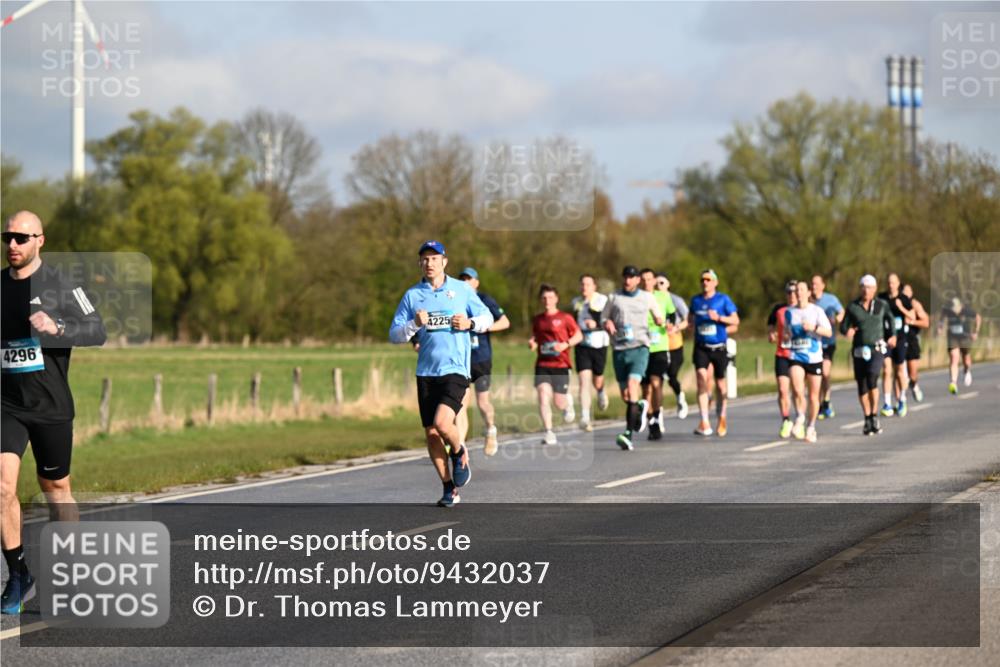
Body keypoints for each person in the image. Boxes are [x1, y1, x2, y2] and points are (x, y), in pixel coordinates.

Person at [2, 211, 107, 614]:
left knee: (57, 489)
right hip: (6, 405)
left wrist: (59, 328)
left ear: (40, 240)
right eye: (7, 238)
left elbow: (97, 330)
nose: (13, 245)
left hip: (50, 405)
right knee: (2, 488)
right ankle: (18, 575)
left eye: (21, 238)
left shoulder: (63, 285)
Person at [389, 241, 494, 508]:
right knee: (432, 434)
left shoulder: (462, 290)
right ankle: (449, 487)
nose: (430, 263)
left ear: (444, 262)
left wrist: (470, 322)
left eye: (435, 258)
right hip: (426, 372)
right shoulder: (413, 295)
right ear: (420, 263)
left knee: (443, 423)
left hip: (455, 369)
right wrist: (414, 324)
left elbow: (488, 318)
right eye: (425, 259)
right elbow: (394, 334)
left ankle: (459, 451)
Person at [601, 266, 665, 451]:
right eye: (625, 277)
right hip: (620, 350)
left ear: (638, 280)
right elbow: (603, 318)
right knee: (626, 396)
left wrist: (659, 321)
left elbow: (658, 316)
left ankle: (628, 434)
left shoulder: (647, 297)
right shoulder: (614, 297)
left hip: (640, 348)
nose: (628, 281)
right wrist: (607, 322)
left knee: (632, 385)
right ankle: (640, 407)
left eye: (631, 277)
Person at [455, 267, 510, 456]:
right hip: (461, 359)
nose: (465, 282)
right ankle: (460, 446)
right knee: (461, 403)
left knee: (482, 402)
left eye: (469, 279)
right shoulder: (454, 299)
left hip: (481, 358)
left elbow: (505, 322)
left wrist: (484, 327)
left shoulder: (485, 300)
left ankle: (490, 429)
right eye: (462, 279)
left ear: (476, 282)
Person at [840, 274, 896, 436]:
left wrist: (892, 335)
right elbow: (843, 326)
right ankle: (867, 418)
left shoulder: (881, 305)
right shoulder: (853, 307)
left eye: (869, 287)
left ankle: (874, 415)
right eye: (863, 287)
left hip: (877, 347)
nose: (866, 290)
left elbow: (891, 320)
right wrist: (848, 330)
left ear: (875, 289)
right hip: (859, 349)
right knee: (862, 385)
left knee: (872, 378)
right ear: (860, 288)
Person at [689, 269, 739, 437]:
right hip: (701, 347)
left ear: (715, 282)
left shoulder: (723, 299)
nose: (705, 282)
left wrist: (719, 318)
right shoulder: (695, 300)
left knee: (720, 384)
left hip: (719, 347)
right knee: (701, 379)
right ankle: (704, 421)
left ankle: (722, 417)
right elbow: (690, 320)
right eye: (703, 280)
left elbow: (735, 320)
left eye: (709, 280)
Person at [529, 284, 582, 444]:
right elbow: (536, 337)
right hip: (543, 364)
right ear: (541, 300)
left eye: (550, 297)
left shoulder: (565, 317)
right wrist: (533, 342)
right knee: (543, 395)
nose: (547, 301)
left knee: (559, 403)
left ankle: (567, 403)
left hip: (561, 364)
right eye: (544, 298)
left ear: (556, 299)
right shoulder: (538, 319)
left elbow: (578, 336)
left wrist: (565, 344)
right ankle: (549, 432)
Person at [786, 281, 833, 443]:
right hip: (796, 355)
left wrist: (813, 328)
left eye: (801, 290)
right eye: (796, 290)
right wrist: (786, 337)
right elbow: (787, 333)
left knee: (813, 396)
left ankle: (811, 426)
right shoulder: (789, 312)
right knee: (797, 389)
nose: (798, 293)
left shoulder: (816, 311)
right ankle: (800, 416)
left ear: (808, 293)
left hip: (814, 358)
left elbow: (828, 332)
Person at [571, 274, 610, 432]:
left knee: (597, 380)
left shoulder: (602, 300)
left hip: (599, 343)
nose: (584, 287)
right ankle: (585, 417)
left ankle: (600, 391)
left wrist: (596, 323)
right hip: (582, 344)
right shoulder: (576, 302)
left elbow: (609, 319)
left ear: (594, 286)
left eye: (588, 284)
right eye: (582, 284)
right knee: (583, 381)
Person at [640, 268, 676, 440]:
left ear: (654, 281)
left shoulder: (663, 296)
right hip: (641, 346)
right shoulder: (637, 297)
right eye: (643, 279)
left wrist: (669, 324)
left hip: (660, 345)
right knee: (645, 388)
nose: (646, 282)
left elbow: (672, 314)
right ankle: (651, 421)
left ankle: (657, 416)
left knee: (656, 382)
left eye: (649, 279)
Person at [878, 273, 915, 418]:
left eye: (893, 282)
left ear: (898, 284)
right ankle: (887, 403)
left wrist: (901, 308)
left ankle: (902, 399)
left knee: (899, 371)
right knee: (887, 370)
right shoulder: (881, 298)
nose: (890, 285)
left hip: (900, 339)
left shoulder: (904, 299)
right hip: (886, 339)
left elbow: (912, 316)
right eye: (888, 282)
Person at [810, 275, 844, 419]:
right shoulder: (807, 299)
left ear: (823, 285)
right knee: (814, 375)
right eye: (812, 284)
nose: (814, 286)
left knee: (825, 373)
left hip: (828, 342)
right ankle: (816, 404)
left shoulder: (831, 299)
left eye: (817, 284)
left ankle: (826, 401)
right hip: (812, 343)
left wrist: (837, 319)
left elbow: (842, 311)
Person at [767, 281, 798, 438]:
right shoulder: (778, 309)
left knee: (798, 390)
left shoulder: (805, 309)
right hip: (782, 354)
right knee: (782, 389)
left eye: (794, 292)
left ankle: (800, 419)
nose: (791, 295)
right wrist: (772, 334)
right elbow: (770, 325)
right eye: (788, 292)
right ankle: (786, 419)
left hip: (799, 355)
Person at [660, 274, 689, 419]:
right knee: (657, 379)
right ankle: (657, 414)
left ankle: (680, 398)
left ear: (668, 284)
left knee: (671, 376)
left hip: (674, 345)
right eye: (656, 283)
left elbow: (687, 320)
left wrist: (676, 327)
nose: (659, 285)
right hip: (658, 346)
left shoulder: (676, 300)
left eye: (662, 283)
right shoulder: (651, 299)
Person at [940, 297, 981, 395]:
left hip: (965, 337)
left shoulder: (966, 311)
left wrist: (976, 331)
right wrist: (940, 326)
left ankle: (967, 370)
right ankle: (953, 382)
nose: (955, 311)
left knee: (966, 359)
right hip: (952, 337)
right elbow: (941, 318)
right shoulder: (947, 311)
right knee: (954, 358)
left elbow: (978, 317)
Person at [901, 284, 930, 402]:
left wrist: (912, 322)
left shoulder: (915, 305)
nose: (906, 293)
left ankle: (914, 385)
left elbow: (926, 323)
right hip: (899, 340)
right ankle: (901, 399)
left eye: (908, 291)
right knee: (900, 373)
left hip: (912, 340)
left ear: (911, 293)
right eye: (903, 291)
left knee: (912, 374)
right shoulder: (897, 304)